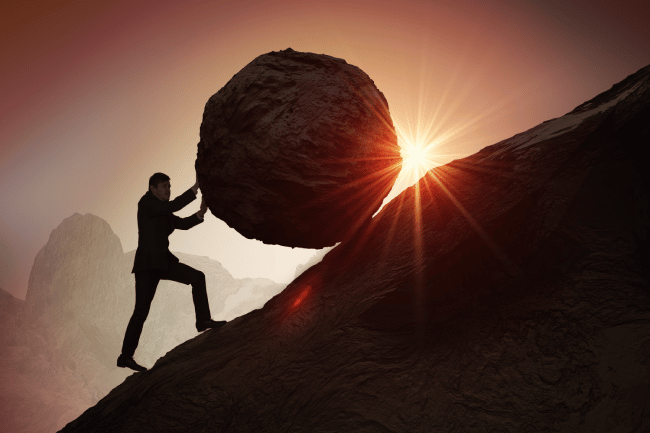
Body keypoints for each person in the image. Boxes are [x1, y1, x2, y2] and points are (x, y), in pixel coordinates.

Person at [117, 172, 226, 372]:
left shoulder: (163, 210)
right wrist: (195, 188)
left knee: (197, 277)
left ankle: (202, 320)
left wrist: (200, 213)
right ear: (153, 188)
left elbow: (181, 223)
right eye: (165, 186)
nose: (168, 189)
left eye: (169, 186)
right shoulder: (146, 203)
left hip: (164, 263)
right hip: (147, 266)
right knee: (141, 311)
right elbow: (174, 205)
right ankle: (125, 357)